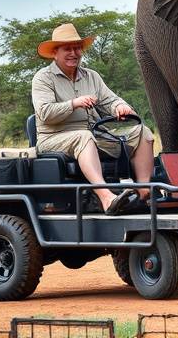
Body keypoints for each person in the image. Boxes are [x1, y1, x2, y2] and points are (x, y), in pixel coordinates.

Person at [32, 23, 155, 215]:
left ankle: (143, 192)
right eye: (67, 49)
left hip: (93, 135)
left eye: (77, 48)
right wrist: (74, 103)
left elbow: (110, 99)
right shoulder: (43, 78)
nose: (74, 53)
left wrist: (120, 107)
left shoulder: (92, 76)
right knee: (83, 136)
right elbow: (45, 113)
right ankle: (106, 197)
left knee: (143, 132)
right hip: (53, 138)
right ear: (55, 52)